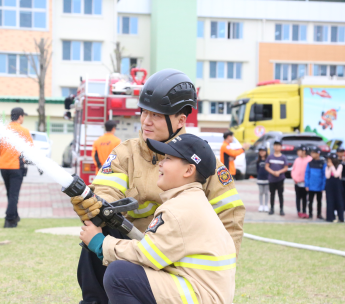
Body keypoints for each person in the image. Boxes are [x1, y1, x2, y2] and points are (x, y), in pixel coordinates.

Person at [70, 69, 246, 304]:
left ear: (180, 120)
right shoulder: (126, 153)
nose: (146, 121)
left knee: (112, 260)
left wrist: (216, 276)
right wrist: (95, 207)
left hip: (180, 262)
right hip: (135, 250)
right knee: (97, 229)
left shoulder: (205, 165)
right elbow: (106, 193)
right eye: (143, 111)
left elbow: (230, 220)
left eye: (156, 114)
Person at [79, 134, 237, 304]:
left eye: (168, 158)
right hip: (204, 293)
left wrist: (100, 243)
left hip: (200, 296)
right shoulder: (193, 201)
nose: (160, 163)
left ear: (188, 170)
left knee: (119, 274)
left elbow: (147, 255)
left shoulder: (180, 208)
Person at [0, 107, 33, 228]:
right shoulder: (24, 131)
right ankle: (9, 220)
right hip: (16, 167)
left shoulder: (2, 130)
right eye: (23, 116)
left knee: (10, 194)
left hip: (3, 167)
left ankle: (15, 216)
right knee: (13, 195)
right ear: (20, 116)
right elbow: (30, 150)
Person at [265, 139, 288, 216]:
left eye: (278, 145)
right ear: (273, 147)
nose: (276, 147)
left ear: (281, 147)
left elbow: (285, 167)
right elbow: (267, 166)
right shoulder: (270, 157)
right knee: (272, 194)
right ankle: (272, 208)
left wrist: (278, 172)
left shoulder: (283, 157)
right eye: (275, 145)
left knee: (280, 194)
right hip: (272, 179)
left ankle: (281, 209)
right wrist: (273, 172)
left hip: (280, 179)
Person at [305, 147, 326, 220]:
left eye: (313, 153)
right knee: (310, 201)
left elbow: (324, 175)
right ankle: (310, 214)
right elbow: (307, 174)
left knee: (319, 201)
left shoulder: (323, 163)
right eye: (311, 153)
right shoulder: (310, 163)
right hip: (311, 186)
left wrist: (323, 186)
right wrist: (307, 184)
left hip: (319, 186)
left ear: (318, 154)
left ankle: (319, 214)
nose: (312, 154)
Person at [291, 145, 312, 218]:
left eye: (299, 151)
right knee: (298, 197)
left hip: (305, 182)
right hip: (297, 182)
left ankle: (304, 211)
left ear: (304, 151)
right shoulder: (297, 159)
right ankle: (298, 211)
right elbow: (293, 169)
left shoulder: (309, 159)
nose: (298, 153)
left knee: (305, 197)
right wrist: (294, 177)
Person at [325, 153, 345, 223]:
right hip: (329, 184)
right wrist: (330, 167)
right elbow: (327, 176)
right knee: (330, 200)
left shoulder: (340, 166)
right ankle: (330, 217)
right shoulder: (327, 167)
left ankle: (341, 217)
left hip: (337, 184)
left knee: (339, 200)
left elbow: (336, 174)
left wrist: (332, 167)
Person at [336, 147, 345, 217]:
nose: (342, 153)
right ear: (337, 153)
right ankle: (336, 208)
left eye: (343, 152)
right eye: (340, 152)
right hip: (338, 179)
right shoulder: (336, 160)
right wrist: (341, 160)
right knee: (338, 194)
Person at [256, 145, 269, 212]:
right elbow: (257, 170)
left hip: (267, 179)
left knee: (266, 192)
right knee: (261, 192)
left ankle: (266, 205)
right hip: (260, 179)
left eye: (263, 151)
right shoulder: (258, 161)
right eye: (260, 151)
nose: (262, 152)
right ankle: (261, 205)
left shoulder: (268, 160)